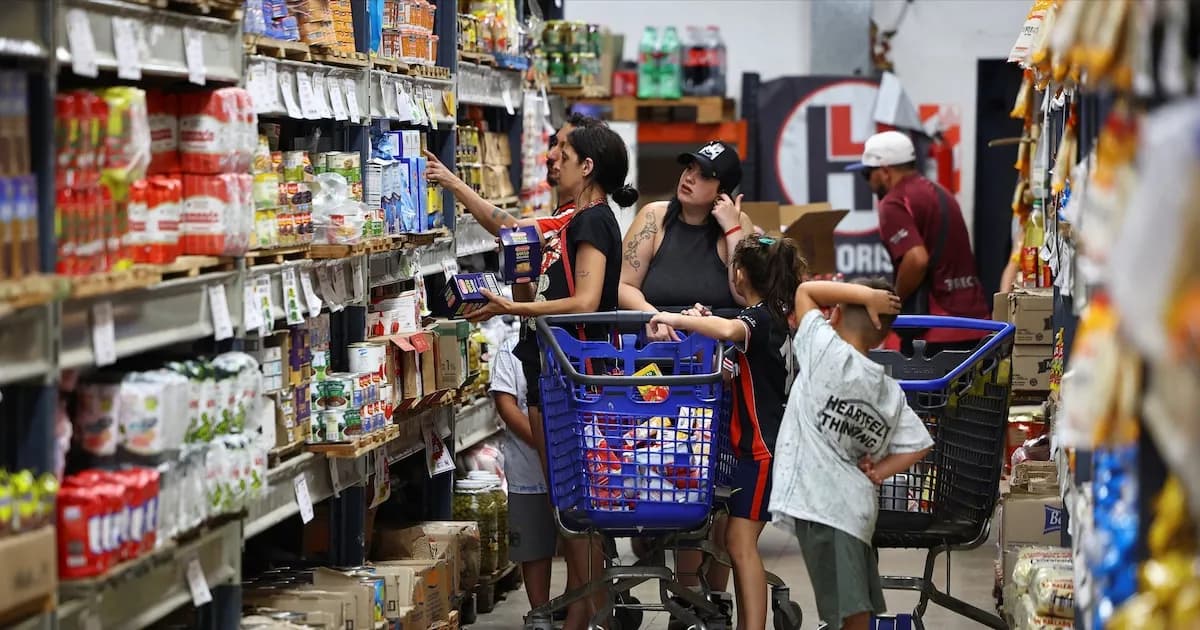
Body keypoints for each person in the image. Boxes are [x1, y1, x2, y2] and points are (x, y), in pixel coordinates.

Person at [466, 123, 637, 630]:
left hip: (575, 380)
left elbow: (586, 302)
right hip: (557, 374)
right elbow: (507, 225)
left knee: (575, 510)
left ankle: (580, 620)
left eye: (563, 151)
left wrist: (515, 305)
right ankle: (582, 614)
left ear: (588, 167)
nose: (551, 157)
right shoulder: (571, 219)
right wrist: (456, 186)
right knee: (570, 507)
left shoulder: (590, 224)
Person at [648, 236, 805, 630]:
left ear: (739, 273)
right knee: (738, 542)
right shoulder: (775, 317)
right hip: (761, 449)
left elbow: (729, 329)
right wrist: (700, 323)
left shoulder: (759, 318)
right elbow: (733, 367)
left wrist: (677, 318)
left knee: (740, 543)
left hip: (763, 450)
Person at [768, 277, 933, 630]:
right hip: (856, 511)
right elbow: (919, 444)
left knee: (847, 616)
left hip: (824, 508)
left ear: (838, 314)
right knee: (855, 611)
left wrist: (866, 296)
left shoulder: (824, 349)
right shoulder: (888, 390)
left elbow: (804, 291)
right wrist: (880, 472)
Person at [847, 131, 990, 355]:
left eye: (867, 173)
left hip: (934, 335)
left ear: (884, 171)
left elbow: (916, 259)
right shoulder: (941, 193)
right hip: (976, 325)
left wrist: (893, 301)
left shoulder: (893, 202)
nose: (868, 183)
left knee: (924, 392)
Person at [620, 141, 755, 341]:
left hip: (717, 354)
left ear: (722, 191)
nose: (689, 177)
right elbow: (623, 285)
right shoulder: (653, 216)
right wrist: (654, 316)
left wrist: (731, 229)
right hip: (656, 346)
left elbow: (745, 296)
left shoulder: (738, 223)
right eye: (690, 168)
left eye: (704, 175)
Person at [489, 335, 557, 613]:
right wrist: (545, 445)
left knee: (580, 545)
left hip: (576, 470)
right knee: (533, 547)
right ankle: (539, 611)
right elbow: (506, 405)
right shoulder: (510, 349)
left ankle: (575, 603)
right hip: (528, 471)